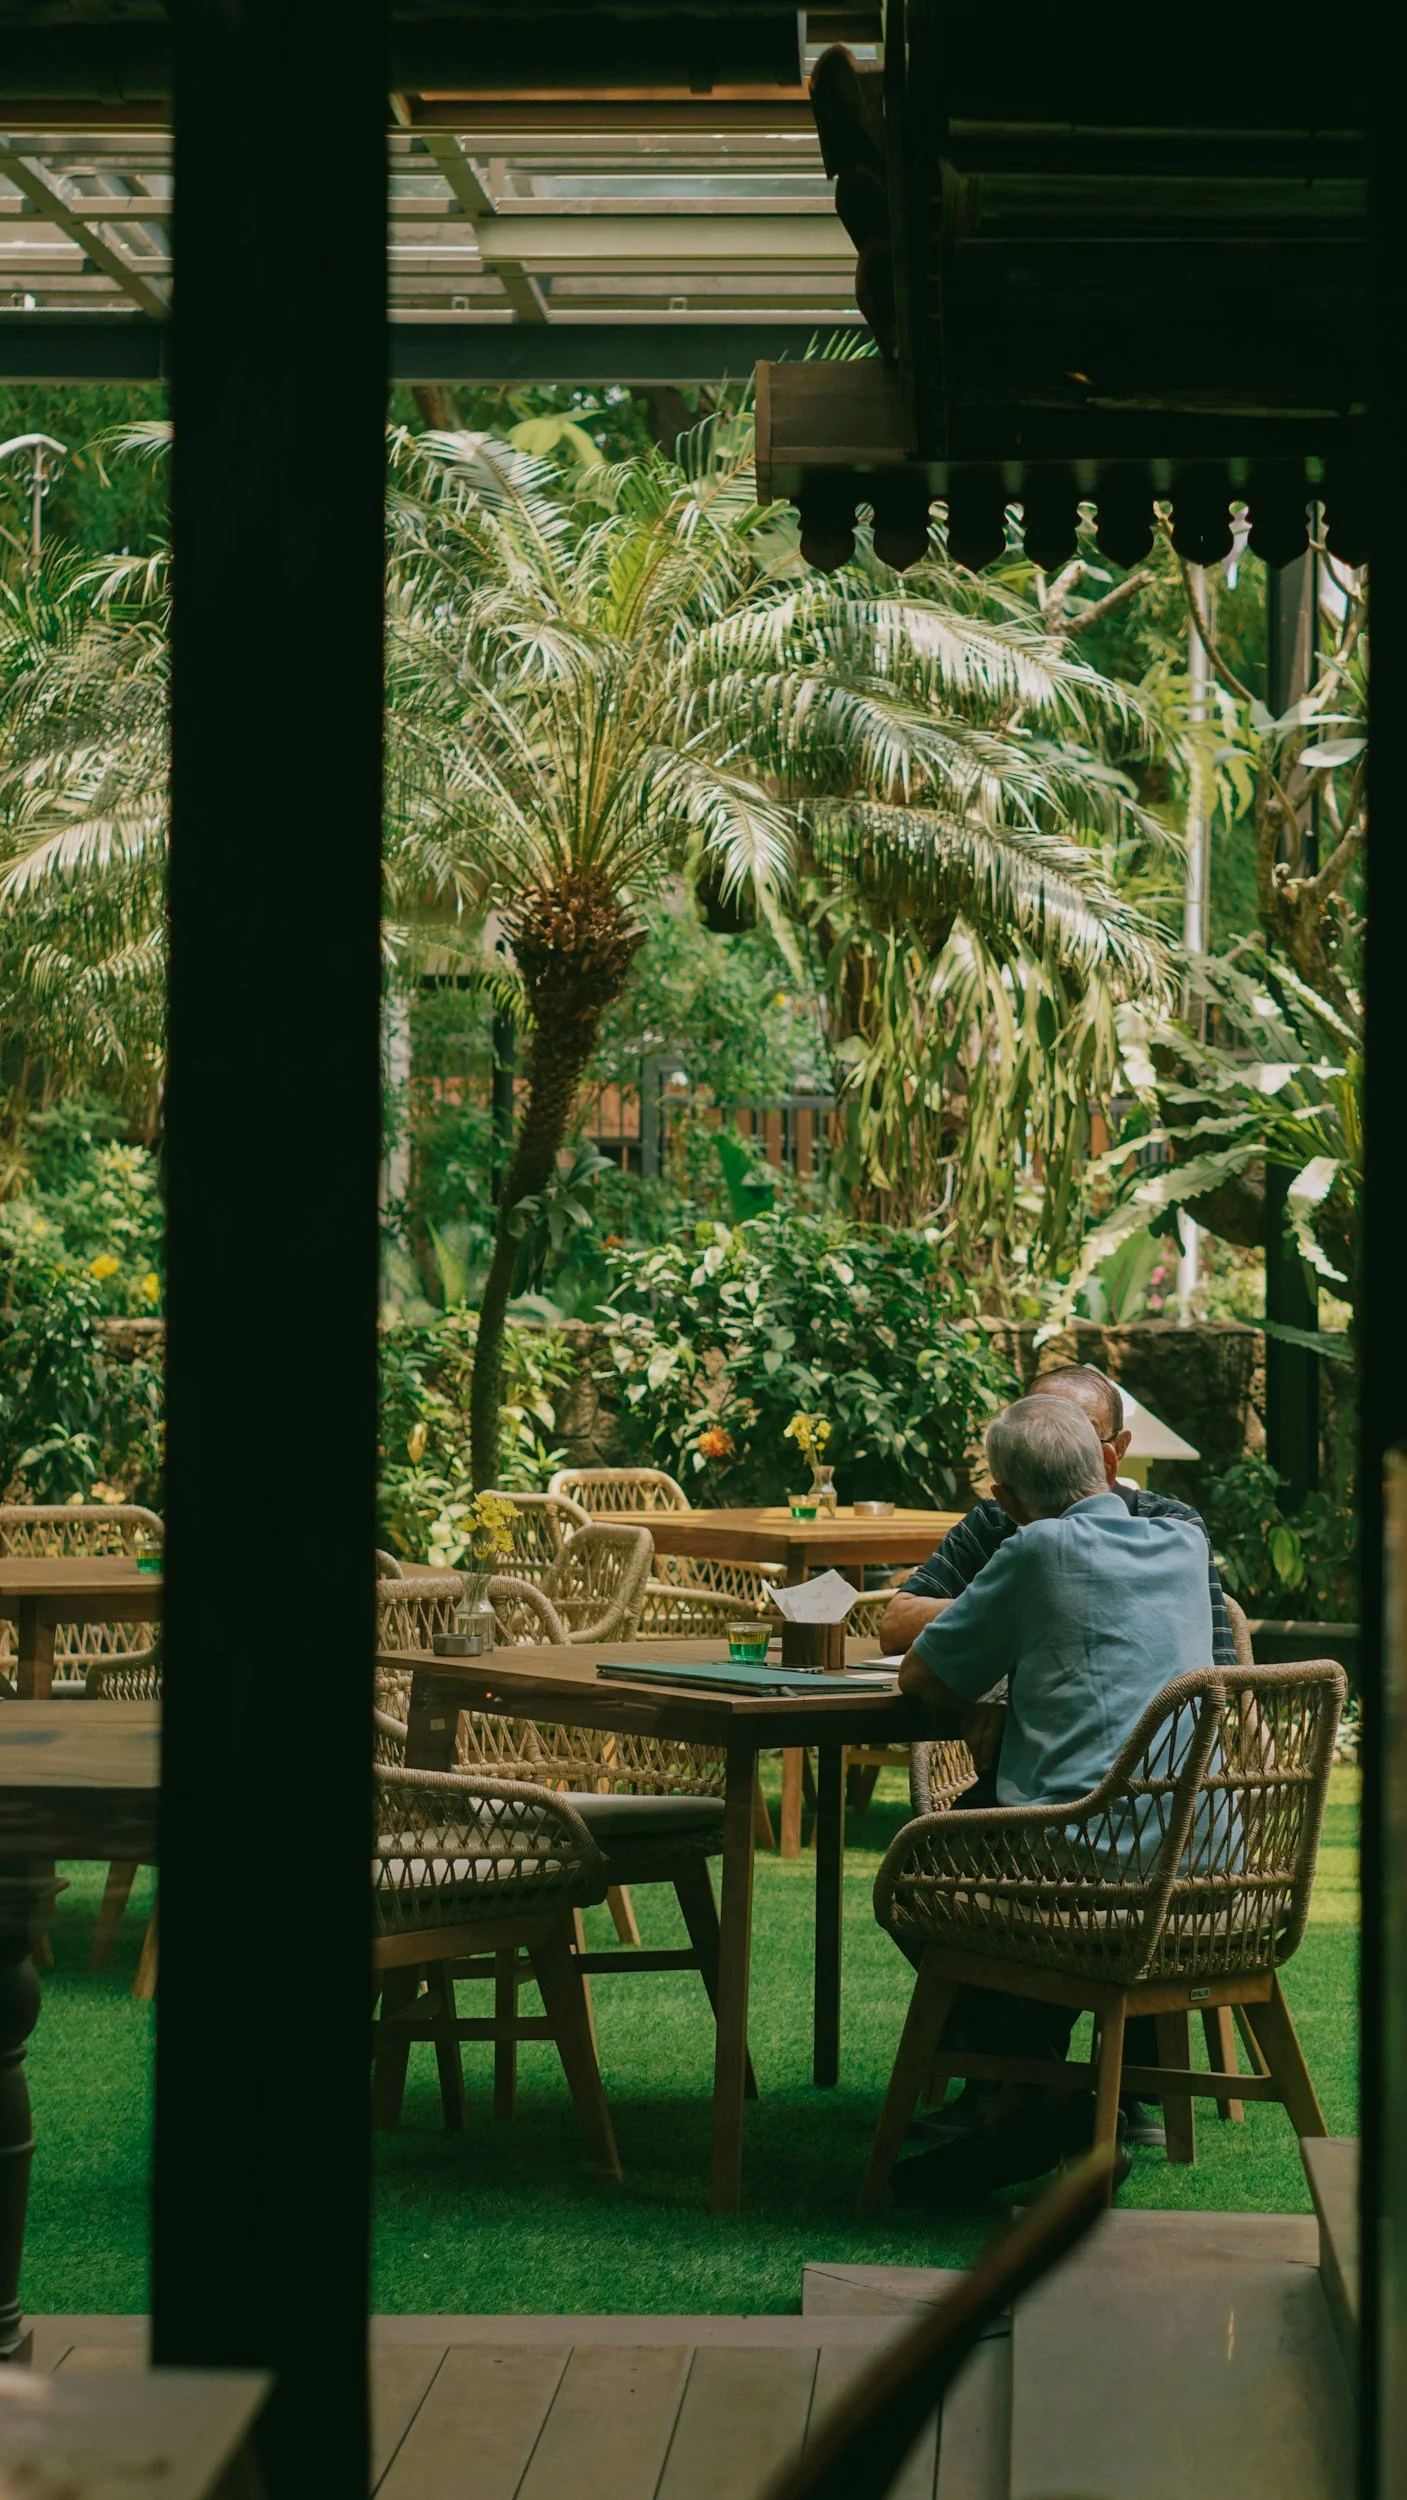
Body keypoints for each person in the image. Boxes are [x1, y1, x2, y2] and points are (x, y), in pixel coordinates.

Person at [889, 1392, 1214, 2203]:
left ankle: (1034, 2093)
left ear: (1004, 1499)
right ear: (1105, 1461)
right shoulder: (1182, 1539)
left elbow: (921, 1675)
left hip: (1085, 1852)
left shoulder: (1032, 1551)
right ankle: (1029, 2100)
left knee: (910, 1883)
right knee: (972, 1845)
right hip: (1205, 1851)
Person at [879, 1362, 1235, 1670]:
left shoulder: (1172, 1529)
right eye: (1037, 1435)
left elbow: (1216, 1669)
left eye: (1079, 1435)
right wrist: (1001, 1607)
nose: (1055, 1452)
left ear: (1115, 1453)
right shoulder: (994, 1521)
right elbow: (896, 1625)